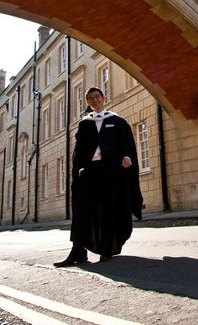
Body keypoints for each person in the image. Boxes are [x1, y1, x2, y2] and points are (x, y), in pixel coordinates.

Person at [54, 87, 143, 266]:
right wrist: (79, 168)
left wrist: (126, 157)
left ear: (103, 98)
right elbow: (78, 150)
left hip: (112, 171)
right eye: (90, 99)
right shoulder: (85, 124)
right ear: (87, 102)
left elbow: (127, 143)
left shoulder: (116, 121)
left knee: (110, 209)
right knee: (82, 210)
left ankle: (106, 248)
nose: (95, 101)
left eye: (97, 97)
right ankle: (78, 251)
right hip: (90, 171)